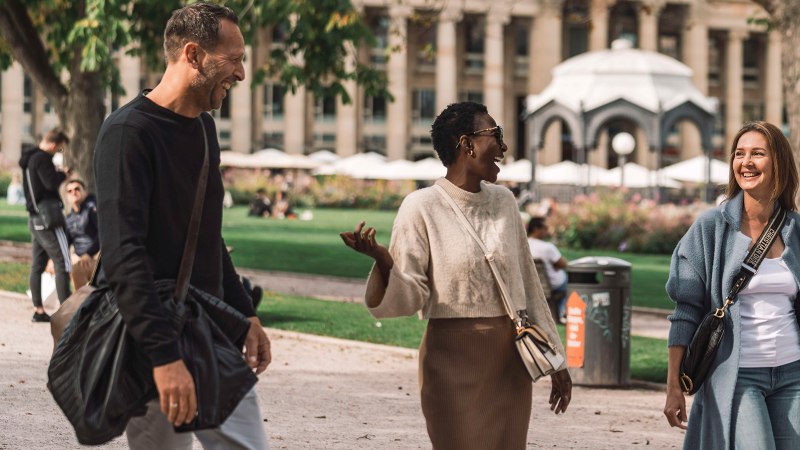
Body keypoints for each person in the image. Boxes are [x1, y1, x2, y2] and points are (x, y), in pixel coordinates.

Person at [340, 101, 572, 449]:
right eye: (496, 135)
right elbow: (412, 294)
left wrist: (557, 359)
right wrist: (385, 261)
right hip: (451, 362)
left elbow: (528, 282)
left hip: (510, 362)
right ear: (468, 144)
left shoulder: (505, 202)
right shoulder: (421, 207)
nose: (504, 147)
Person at [93, 3, 271, 449]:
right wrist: (164, 357)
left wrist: (245, 312)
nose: (242, 74)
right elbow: (123, 257)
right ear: (192, 55)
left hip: (210, 332)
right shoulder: (127, 132)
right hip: (154, 342)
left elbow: (208, 238)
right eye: (233, 60)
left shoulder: (205, 130)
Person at [663, 121, 800, 449]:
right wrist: (673, 386)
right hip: (737, 375)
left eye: (757, 153)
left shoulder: (795, 229)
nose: (746, 162)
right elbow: (686, 310)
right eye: (739, 154)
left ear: (778, 161)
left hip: (793, 373)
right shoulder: (711, 228)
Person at [19, 129, 72, 323]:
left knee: (38, 264)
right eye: (59, 148)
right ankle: (66, 312)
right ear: (52, 144)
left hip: (34, 218)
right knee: (63, 261)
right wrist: (62, 175)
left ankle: (38, 310)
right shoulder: (42, 159)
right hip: (48, 218)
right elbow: (50, 183)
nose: (58, 151)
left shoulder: (29, 159)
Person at [527, 216, 569, 323]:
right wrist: (556, 265)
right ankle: (563, 312)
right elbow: (564, 264)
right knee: (570, 282)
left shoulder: (524, 245)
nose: (547, 231)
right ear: (536, 228)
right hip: (553, 285)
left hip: (531, 284)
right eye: (545, 228)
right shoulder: (547, 247)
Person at [64, 179, 99, 289]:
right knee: (70, 267)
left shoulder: (92, 209)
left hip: (95, 256)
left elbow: (102, 235)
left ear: (85, 192)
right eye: (69, 191)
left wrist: (88, 253)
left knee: (77, 269)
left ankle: (83, 303)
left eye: (77, 189)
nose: (73, 192)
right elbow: (65, 243)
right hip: (79, 258)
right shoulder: (68, 219)